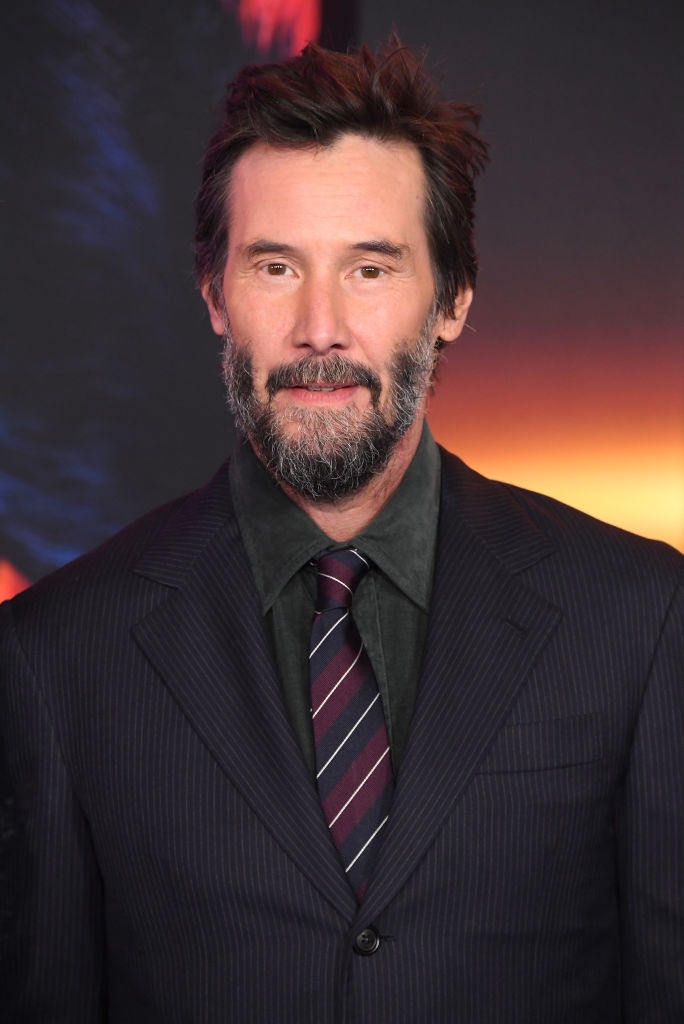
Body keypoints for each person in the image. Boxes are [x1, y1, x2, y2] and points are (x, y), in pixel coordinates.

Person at [1, 38, 682, 1024]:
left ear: (451, 298)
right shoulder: (57, 656)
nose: (320, 327)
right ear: (213, 296)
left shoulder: (640, 619)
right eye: (276, 266)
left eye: (370, 269)